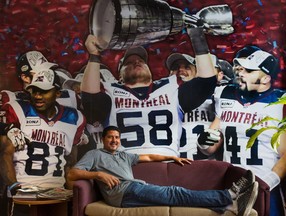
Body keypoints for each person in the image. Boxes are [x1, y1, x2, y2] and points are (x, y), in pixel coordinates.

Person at [81, 27, 218, 156]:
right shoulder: (112, 93)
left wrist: (197, 36)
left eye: (141, 61)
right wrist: (94, 56)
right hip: (123, 167)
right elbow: (89, 99)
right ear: (120, 77)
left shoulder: (170, 90)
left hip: (166, 164)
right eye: (129, 63)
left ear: (150, 72)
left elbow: (207, 82)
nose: (136, 63)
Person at [67, 125, 258, 216]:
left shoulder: (124, 155)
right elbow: (72, 174)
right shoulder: (94, 154)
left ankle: (229, 207)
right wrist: (97, 174)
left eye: (117, 137)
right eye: (110, 137)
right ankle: (230, 195)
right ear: (104, 139)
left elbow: (149, 157)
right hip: (122, 192)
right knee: (175, 192)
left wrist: (172, 157)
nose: (114, 141)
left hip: (133, 188)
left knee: (176, 195)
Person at [197, 48, 286, 216]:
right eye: (240, 69)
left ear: (266, 78)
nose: (241, 74)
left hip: (264, 186)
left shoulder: (280, 102)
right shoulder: (226, 95)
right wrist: (203, 142)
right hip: (230, 184)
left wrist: (266, 183)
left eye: (249, 70)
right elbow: (210, 147)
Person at [0, 68, 87, 194]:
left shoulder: (74, 118)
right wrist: (14, 187)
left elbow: (70, 162)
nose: (37, 96)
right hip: (24, 190)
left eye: (44, 91)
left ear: (58, 93)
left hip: (57, 192)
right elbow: (5, 153)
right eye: (34, 91)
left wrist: (71, 195)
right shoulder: (18, 110)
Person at [165, 53, 234, 160]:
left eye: (187, 67)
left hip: (205, 166)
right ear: (170, 74)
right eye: (175, 68)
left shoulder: (217, 95)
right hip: (169, 166)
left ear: (197, 72)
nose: (181, 70)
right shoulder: (158, 100)